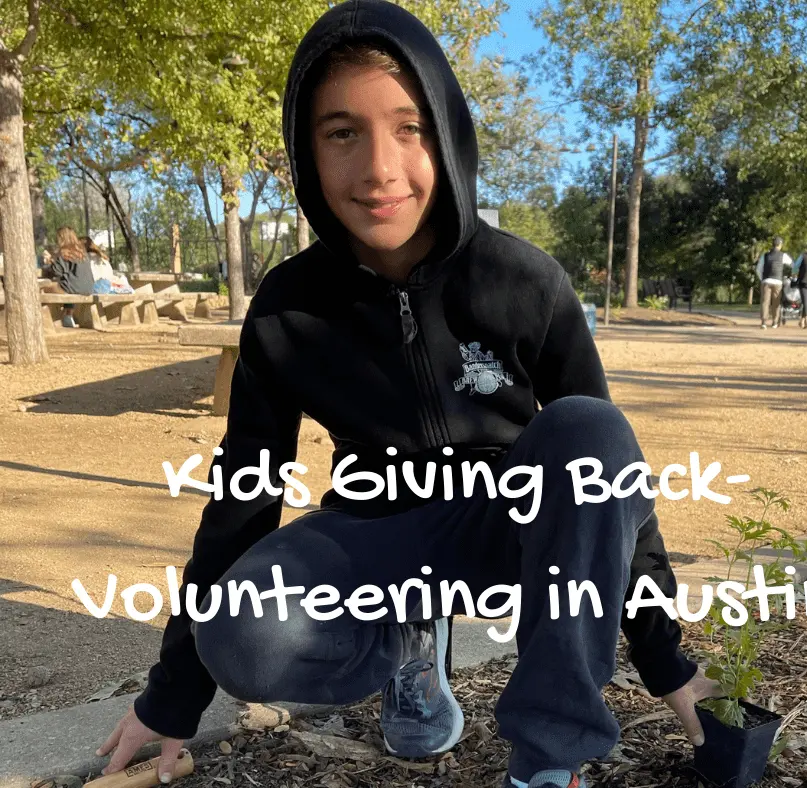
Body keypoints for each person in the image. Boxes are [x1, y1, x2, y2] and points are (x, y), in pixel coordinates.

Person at [96, 4, 720, 787]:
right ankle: (405, 644)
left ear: (449, 132)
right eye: (342, 132)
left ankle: (548, 763)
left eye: (409, 126)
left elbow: (615, 492)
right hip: (378, 537)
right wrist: (172, 700)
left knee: (590, 428)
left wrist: (669, 664)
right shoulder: (288, 308)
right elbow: (241, 499)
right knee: (247, 632)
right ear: (306, 152)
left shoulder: (526, 281)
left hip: (514, 538)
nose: (379, 167)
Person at [44, 227, 97, 328]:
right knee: (67, 286)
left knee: (43, 288)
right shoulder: (82, 252)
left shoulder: (65, 251)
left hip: (73, 288)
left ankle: (52, 319)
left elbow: (57, 272)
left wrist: (49, 261)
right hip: (88, 288)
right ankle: (68, 314)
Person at [754, 236, 793, 329]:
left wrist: (762, 279)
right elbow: (792, 264)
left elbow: (758, 269)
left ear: (773, 244)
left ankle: (763, 322)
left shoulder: (765, 255)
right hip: (778, 281)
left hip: (766, 280)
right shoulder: (783, 255)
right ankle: (775, 322)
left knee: (765, 302)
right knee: (776, 303)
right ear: (780, 245)